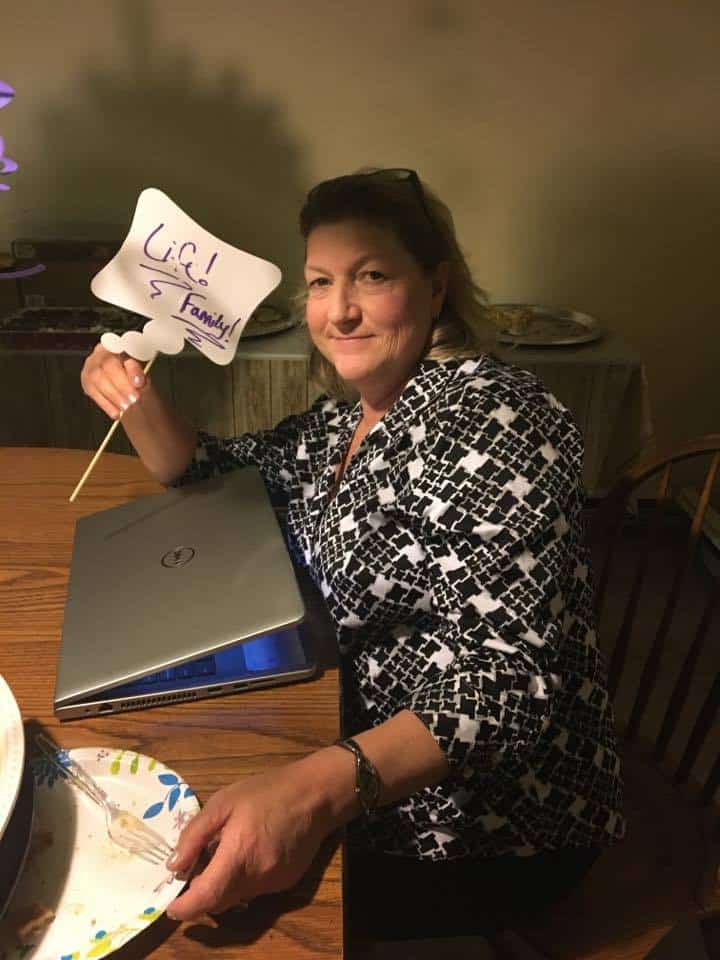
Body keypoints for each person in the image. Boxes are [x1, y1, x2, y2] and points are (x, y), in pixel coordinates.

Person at [80, 168, 625, 942]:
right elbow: (210, 472)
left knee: (168, 879)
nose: (338, 311)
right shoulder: (345, 421)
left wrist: (306, 794)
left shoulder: (496, 418)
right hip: (342, 733)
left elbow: (509, 684)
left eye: (371, 276)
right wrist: (130, 393)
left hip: (488, 819)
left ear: (436, 287)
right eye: (320, 282)